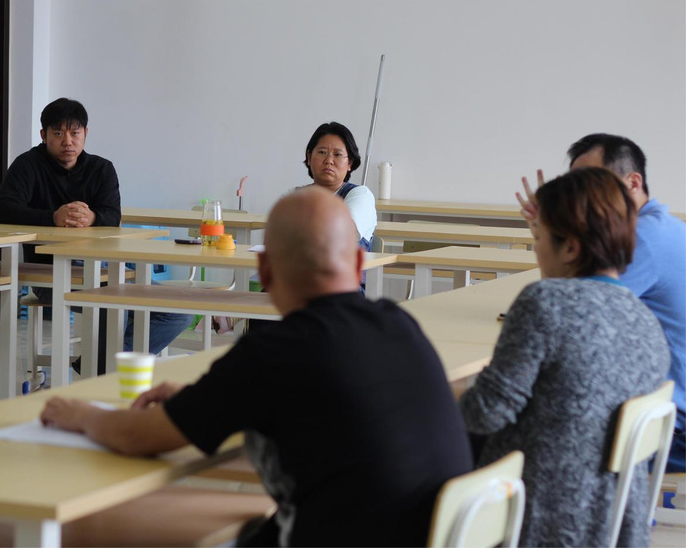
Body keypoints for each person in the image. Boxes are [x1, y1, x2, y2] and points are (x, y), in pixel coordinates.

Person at [40, 187, 473, 547]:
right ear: (359, 264)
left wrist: (81, 412)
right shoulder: (400, 324)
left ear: (263, 270)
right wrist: (197, 401)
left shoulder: (274, 351)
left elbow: (138, 436)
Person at [465, 168, 670, 547]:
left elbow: (485, 414)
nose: (537, 249)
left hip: (532, 515)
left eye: (539, 238)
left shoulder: (545, 302)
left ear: (571, 249)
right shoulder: (644, 321)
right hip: (609, 523)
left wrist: (445, 392)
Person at [517, 133, 686, 473]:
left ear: (633, 182)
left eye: (593, 182)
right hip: (660, 406)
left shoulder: (643, 238)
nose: (581, 195)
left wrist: (548, 231)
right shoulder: (666, 225)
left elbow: (565, 307)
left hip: (666, 424)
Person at [0, 97, 191, 374]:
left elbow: (113, 215)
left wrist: (93, 217)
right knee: (113, 304)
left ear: (86, 133)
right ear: (43, 135)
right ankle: (102, 372)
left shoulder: (101, 169)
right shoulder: (27, 165)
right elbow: (3, 209)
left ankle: (97, 366)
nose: (67, 141)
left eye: (75, 133)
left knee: (179, 312)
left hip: (108, 270)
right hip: (50, 274)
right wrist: (53, 217)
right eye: (58, 133)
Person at [303, 122, 377, 250]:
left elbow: (344, 232)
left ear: (350, 163)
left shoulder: (360, 195)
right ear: (309, 157)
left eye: (337, 154)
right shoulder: (296, 196)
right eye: (322, 152)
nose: (328, 160)